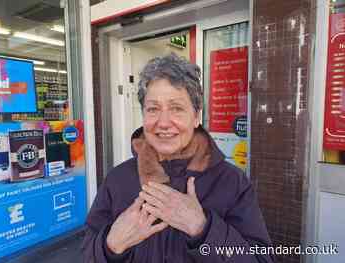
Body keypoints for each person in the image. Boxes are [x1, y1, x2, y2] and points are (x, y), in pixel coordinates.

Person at [82, 53, 274, 263]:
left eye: (177, 108)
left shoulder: (231, 182)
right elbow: (86, 254)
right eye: (153, 109)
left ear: (197, 116)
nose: (163, 122)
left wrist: (203, 229)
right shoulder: (118, 180)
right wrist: (111, 245)